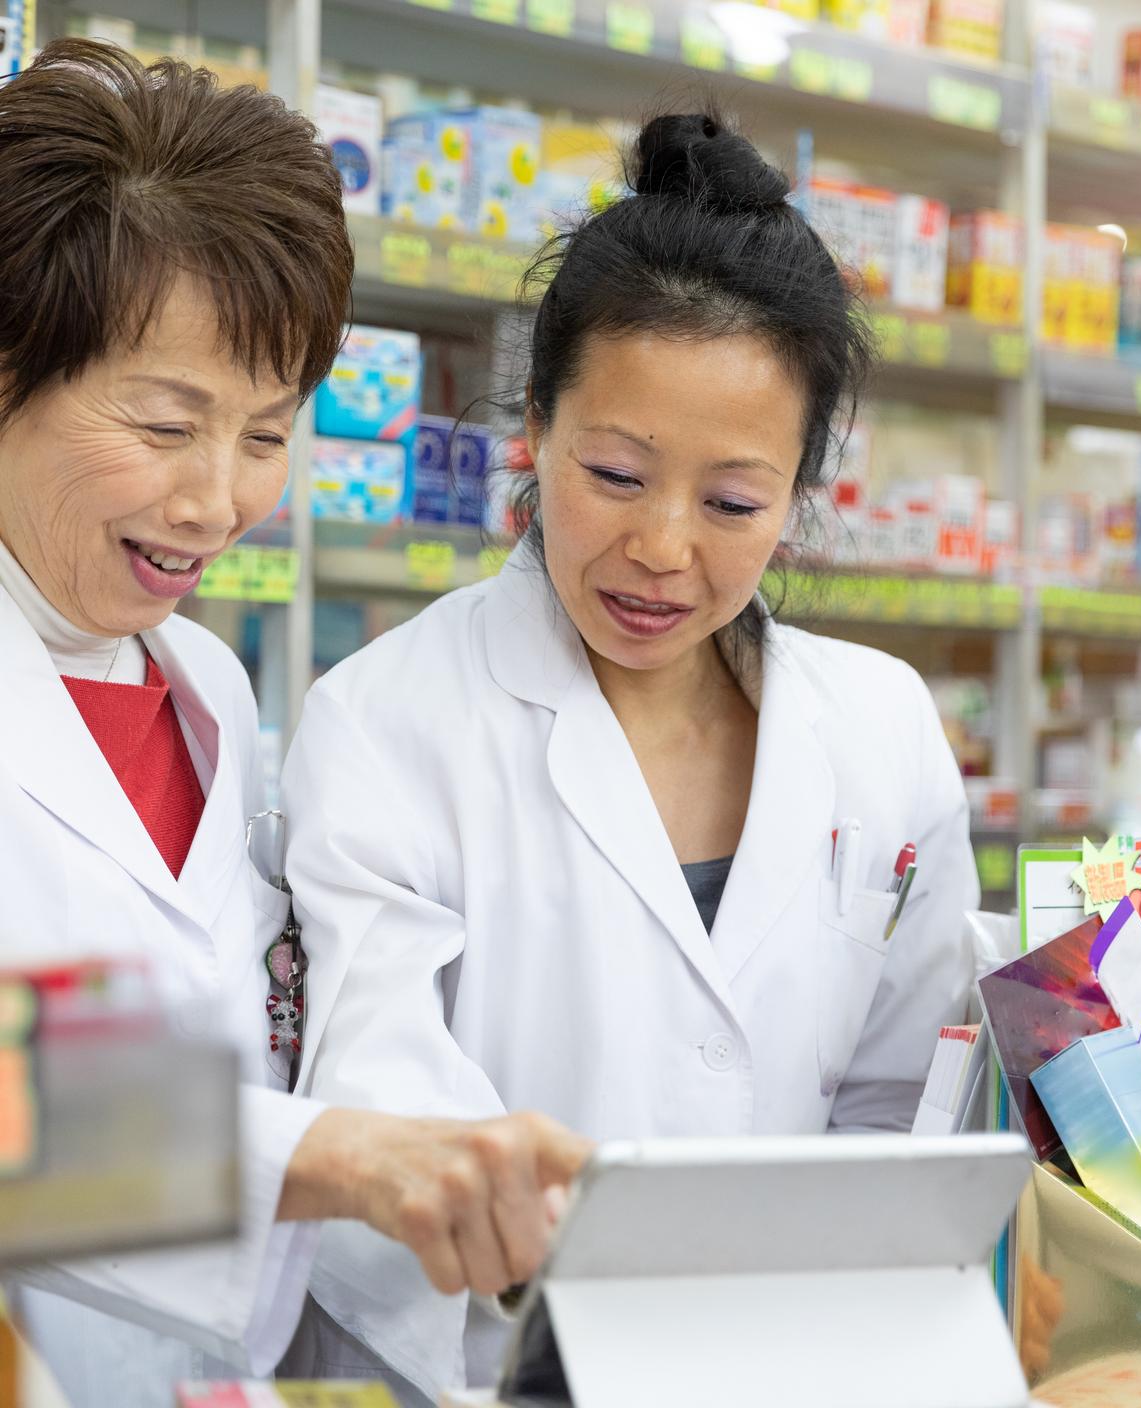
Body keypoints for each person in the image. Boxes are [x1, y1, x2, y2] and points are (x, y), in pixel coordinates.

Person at [281, 111, 980, 1398]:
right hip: (476, 1369)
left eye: (730, 502)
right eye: (613, 472)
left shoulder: (880, 730)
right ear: (533, 426)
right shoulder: (385, 724)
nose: (664, 548)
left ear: (799, 491)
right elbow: (386, 1119)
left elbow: (902, 1112)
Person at [0, 40, 590, 1408]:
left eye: (266, 435)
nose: (216, 500)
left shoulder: (212, 691)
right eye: (164, 425)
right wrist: (321, 1156)